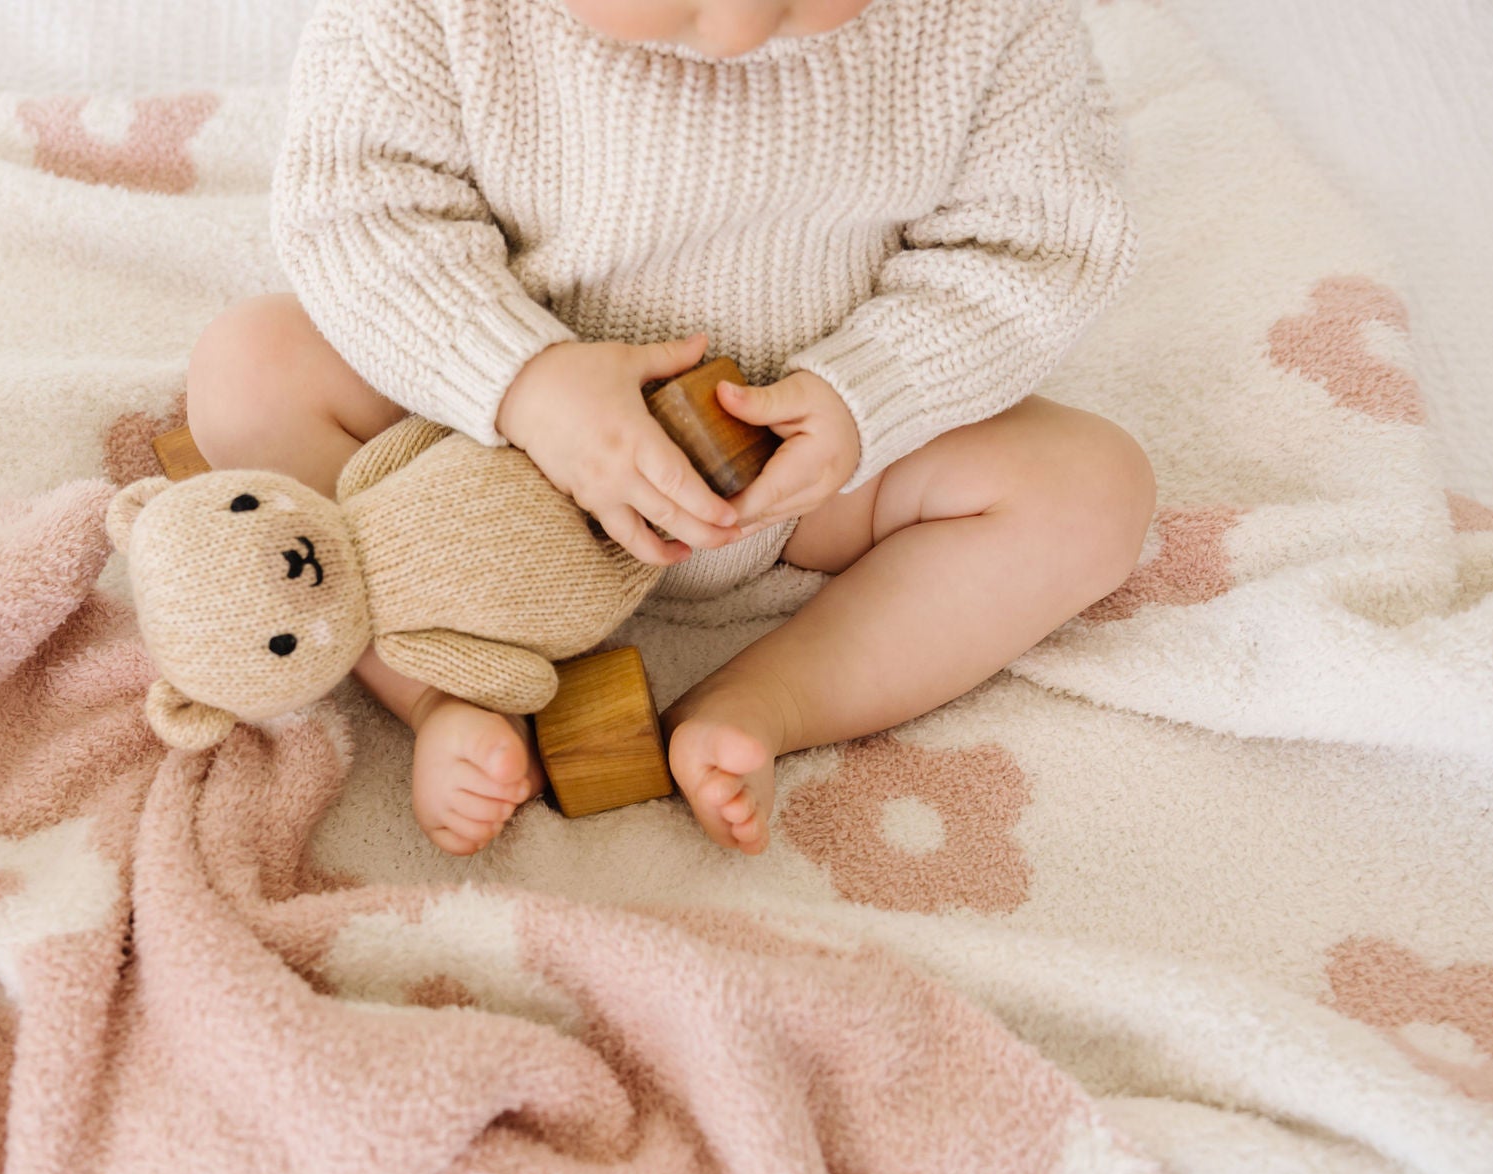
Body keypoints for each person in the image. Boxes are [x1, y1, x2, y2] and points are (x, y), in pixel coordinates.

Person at [182, 0, 1155, 856]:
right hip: (476, 462)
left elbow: (1033, 246)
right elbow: (363, 215)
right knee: (249, 367)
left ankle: (767, 701)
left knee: (1089, 490)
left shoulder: (988, 20)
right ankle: (441, 687)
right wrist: (521, 378)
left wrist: (869, 394)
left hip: (799, 482)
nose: (736, 29)